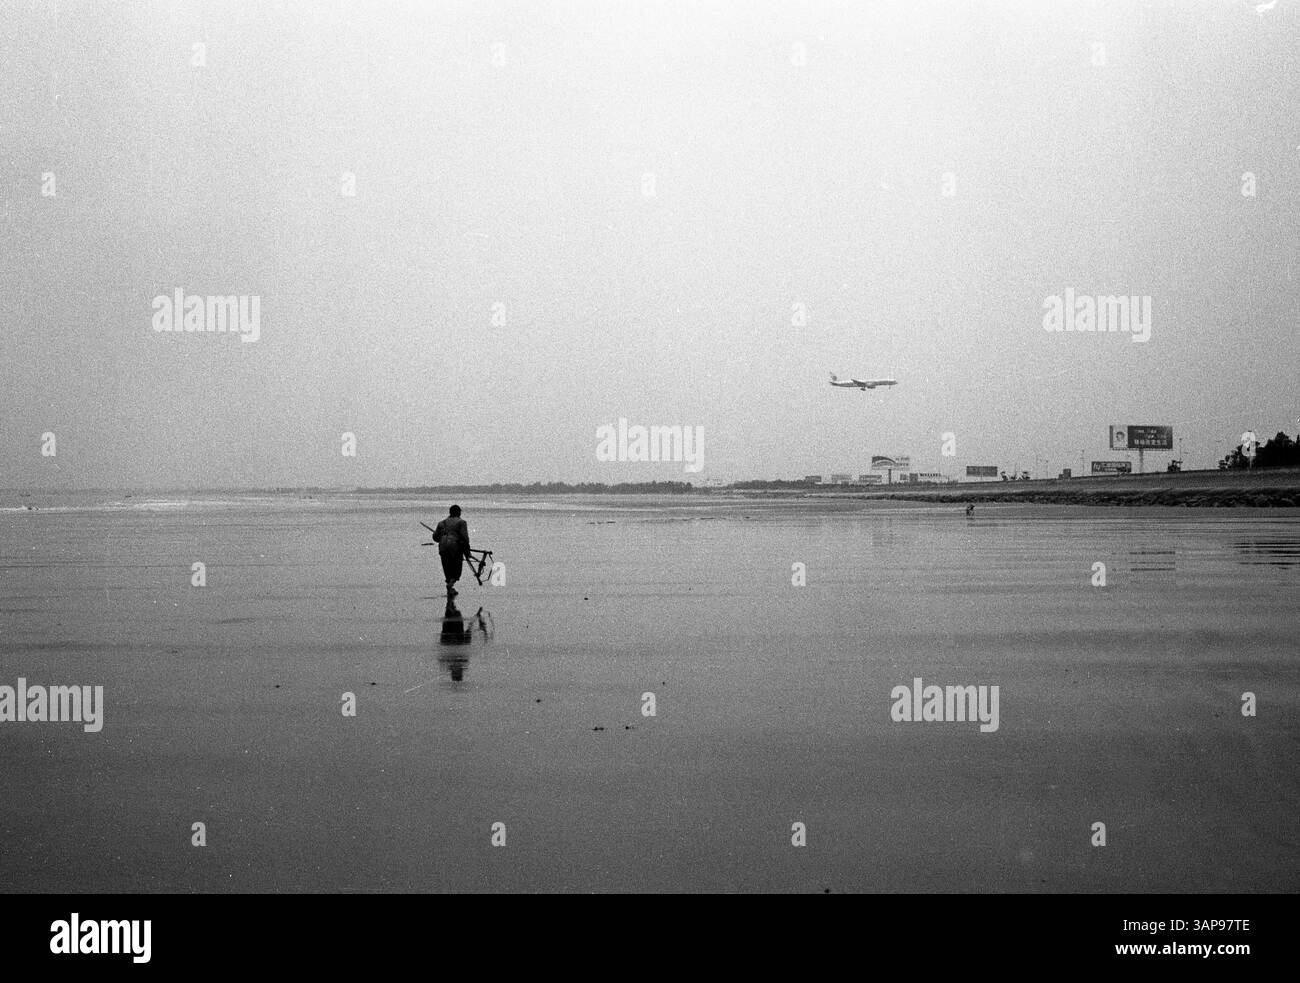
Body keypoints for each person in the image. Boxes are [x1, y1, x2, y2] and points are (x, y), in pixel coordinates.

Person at [433, 504, 472, 596]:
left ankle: (450, 588)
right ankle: (450, 585)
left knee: (447, 568)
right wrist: (467, 552)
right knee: (457, 569)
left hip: (443, 548)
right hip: (455, 548)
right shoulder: (461, 522)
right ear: (458, 512)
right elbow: (465, 538)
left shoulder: (441, 523)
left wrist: (442, 536)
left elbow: (435, 538)